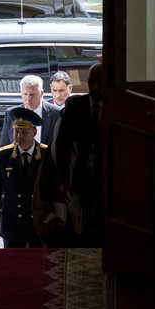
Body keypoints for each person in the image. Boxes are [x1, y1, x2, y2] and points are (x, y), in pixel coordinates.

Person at [0, 107, 55, 248]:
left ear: (34, 132)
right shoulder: (3, 155)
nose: (18, 136)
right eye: (16, 131)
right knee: (12, 261)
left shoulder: (47, 154)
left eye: (24, 132)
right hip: (13, 223)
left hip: (39, 223)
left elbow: (54, 188)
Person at [53, 61, 103, 245]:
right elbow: (62, 145)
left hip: (108, 176)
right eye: (92, 81)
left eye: (100, 82)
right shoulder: (76, 106)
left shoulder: (117, 106)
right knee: (82, 223)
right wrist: (64, 181)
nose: (95, 87)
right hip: (81, 175)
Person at [0, 74, 60, 146]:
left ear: (41, 93)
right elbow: (4, 145)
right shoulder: (11, 114)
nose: (28, 99)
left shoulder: (57, 114)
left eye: (32, 95)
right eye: (25, 94)